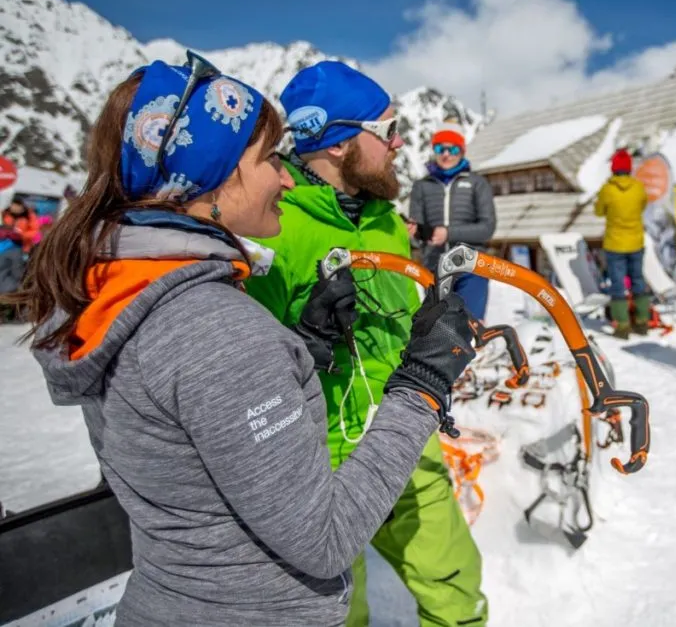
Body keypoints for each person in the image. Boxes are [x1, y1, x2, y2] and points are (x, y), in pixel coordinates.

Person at [0, 54, 476, 627]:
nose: (284, 174)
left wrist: (307, 345)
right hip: (315, 477)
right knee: (352, 599)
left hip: (381, 454)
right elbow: (317, 533)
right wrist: (423, 383)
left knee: (452, 583)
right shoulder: (221, 304)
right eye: (270, 158)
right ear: (217, 175)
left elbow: (219, 403)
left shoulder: (135, 294)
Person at [244, 63, 489, 627]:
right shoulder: (271, 228)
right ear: (337, 144)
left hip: (405, 444)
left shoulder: (386, 222)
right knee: (336, 617)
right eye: (387, 130)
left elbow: (399, 320)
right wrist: (301, 340)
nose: (400, 143)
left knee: (458, 591)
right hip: (317, 470)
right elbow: (240, 371)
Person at [407, 122, 496, 321]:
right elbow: (417, 232)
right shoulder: (422, 186)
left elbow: (487, 228)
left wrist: (448, 233)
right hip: (435, 267)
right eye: (440, 148)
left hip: (472, 266)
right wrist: (415, 234)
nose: (446, 154)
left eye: (452, 149)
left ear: (462, 151)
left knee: (470, 325)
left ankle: (479, 351)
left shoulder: (477, 183)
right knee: (438, 330)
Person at [594, 148, 650, 338]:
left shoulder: (607, 189)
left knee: (617, 285)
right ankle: (642, 322)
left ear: (613, 169)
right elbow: (643, 205)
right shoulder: (638, 187)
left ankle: (623, 326)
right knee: (638, 281)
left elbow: (599, 211)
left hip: (615, 244)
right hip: (636, 241)